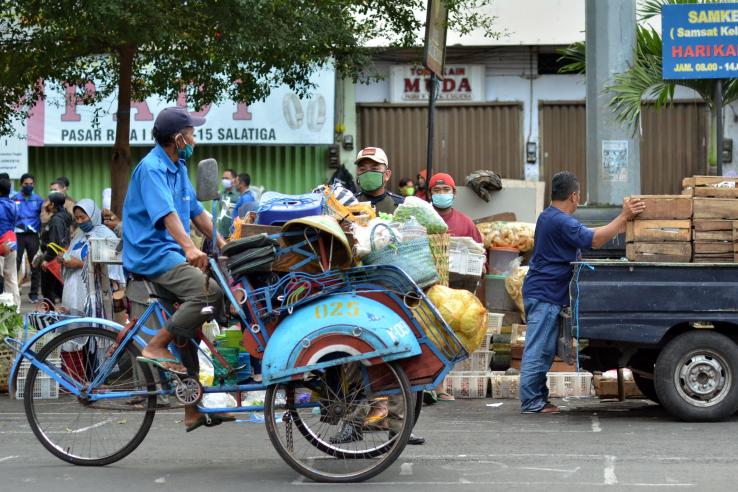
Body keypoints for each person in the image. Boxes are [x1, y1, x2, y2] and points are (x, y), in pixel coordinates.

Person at [122, 106, 226, 431]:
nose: (194, 139)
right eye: (192, 134)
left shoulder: (178, 166)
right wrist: (190, 247)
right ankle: (155, 345)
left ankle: (192, 409)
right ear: (178, 138)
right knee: (209, 292)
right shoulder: (152, 168)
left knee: (188, 331)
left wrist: (225, 244)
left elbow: (196, 213)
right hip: (153, 253)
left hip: (169, 252)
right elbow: (167, 215)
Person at [520, 171, 645, 414]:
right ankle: (532, 401)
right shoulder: (560, 220)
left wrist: (622, 221)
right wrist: (624, 216)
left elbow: (591, 234)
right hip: (545, 294)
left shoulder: (550, 216)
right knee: (539, 350)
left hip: (545, 292)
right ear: (575, 196)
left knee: (543, 350)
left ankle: (537, 399)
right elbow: (594, 240)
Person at [61, 199, 125, 316]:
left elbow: (110, 269)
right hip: (74, 291)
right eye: (77, 218)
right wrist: (64, 259)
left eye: (83, 217)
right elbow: (72, 254)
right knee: (74, 328)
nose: (79, 221)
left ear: (92, 215)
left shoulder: (106, 235)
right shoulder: (79, 235)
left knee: (93, 325)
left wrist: (80, 264)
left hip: (94, 291)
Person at [13, 173, 44, 303]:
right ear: (21, 184)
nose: (29, 186)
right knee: (15, 263)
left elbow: (43, 216)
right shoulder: (14, 199)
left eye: (31, 184)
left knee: (35, 263)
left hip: (32, 235)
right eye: (26, 184)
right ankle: (13, 292)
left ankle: (34, 294)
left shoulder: (38, 199)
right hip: (18, 235)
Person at [428, 172, 483, 243]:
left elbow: (480, 251)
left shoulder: (466, 223)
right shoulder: (420, 222)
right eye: (436, 190)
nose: (441, 193)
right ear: (429, 194)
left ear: (454, 193)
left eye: (446, 189)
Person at [38, 191, 72, 304]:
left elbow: (54, 244)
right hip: (60, 256)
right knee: (59, 289)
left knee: (48, 291)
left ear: (53, 204)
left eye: (49, 202)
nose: (47, 205)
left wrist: (46, 260)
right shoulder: (64, 216)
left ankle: (50, 317)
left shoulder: (57, 220)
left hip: (53, 259)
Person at [354, 147, 404, 214]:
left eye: (374, 169)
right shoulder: (349, 204)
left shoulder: (401, 205)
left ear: (387, 175)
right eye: (362, 169)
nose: (368, 174)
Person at [0, 178, 20, 307]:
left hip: (1, 242)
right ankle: (15, 308)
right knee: (11, 277)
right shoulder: (14, 205)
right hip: (12, 241)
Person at [217, 168, 239, 239]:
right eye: (223, 178)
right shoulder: (221, 194)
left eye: (227, 178)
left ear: (234, 180)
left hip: (235, 233)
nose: (224, 180)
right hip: (222, 233)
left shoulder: (239, 194)